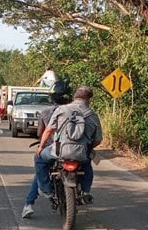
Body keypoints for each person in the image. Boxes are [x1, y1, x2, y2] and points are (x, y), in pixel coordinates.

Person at [35, 86, 102, 202]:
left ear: (75, 97)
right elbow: (98, 140)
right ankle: (86, 191)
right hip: (81, 153)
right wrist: (87, 148)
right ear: (89, 100)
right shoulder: (93, 116)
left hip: (59, 151)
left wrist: (41, 147)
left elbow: (48, 130)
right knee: (87, 163)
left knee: (39, 158)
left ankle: (46, 190)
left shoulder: (61, 110)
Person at [22, 82, 72, 218]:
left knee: (39, 170)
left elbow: (40, 133)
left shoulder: (45, 112)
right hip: (74, 149)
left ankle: (30, 203)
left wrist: (41, 144)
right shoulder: (75, 111)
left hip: (52, 150)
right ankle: (84, 191)